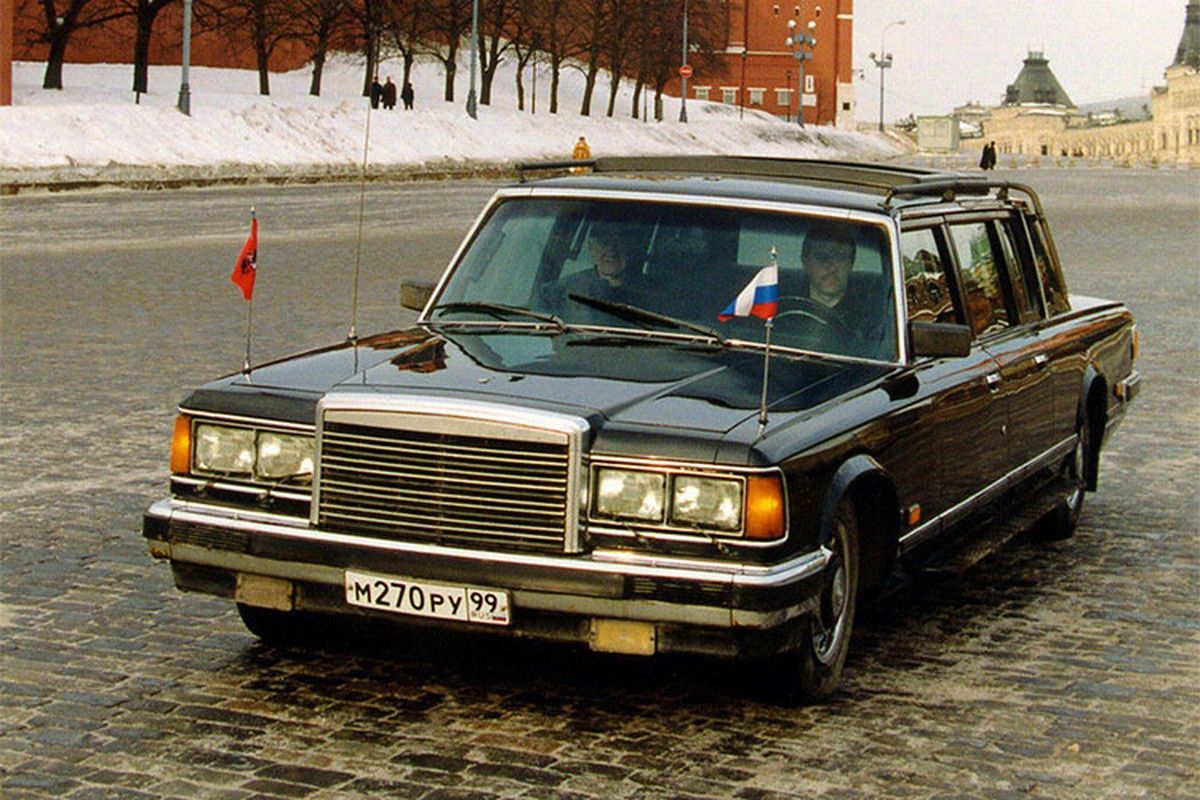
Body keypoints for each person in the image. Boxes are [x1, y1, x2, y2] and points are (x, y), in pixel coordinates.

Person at [541, 222, 651, 318]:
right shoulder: (561, 291)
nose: (611, 250)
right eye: (603, 241)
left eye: (619, 241)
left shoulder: (653, 293)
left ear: (631, 247)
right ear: (591, 248)